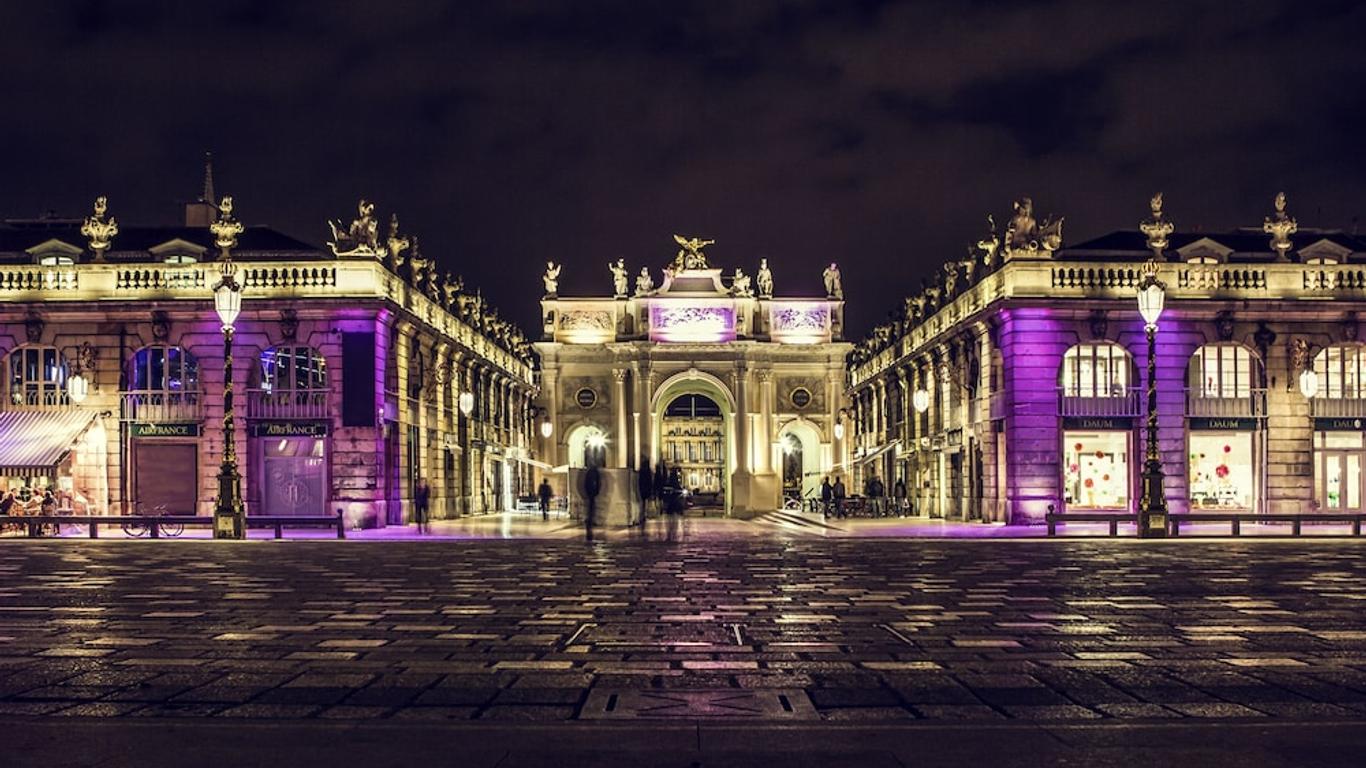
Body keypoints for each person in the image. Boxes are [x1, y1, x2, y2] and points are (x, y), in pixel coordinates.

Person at [583, 464, 602, 542]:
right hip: (592, 493)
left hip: (590, 493)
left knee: (591, 507)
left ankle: (590, 520)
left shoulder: (589, 474)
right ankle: (590, 520)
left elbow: (586, 484)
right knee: (592, 507)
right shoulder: (595, 473)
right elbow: (598, 483)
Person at [637, 458, 653, 528]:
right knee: (644, 503)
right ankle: (644, 515)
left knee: (642, 503)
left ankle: (641, 515)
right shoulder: (648, 471)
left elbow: (640, 480)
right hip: (646, 489)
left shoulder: (641, 471)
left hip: (642, 489)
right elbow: (650, 481)